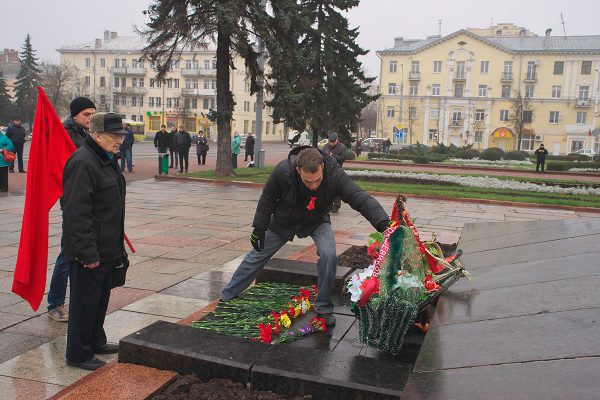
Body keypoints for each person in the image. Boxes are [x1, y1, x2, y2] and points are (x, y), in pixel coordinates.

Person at [221, 147, 389, 327]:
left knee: (329, 255)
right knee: (257, 254)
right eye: (308, 182)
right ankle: (228, 295)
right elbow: (267, 199)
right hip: (285, 221)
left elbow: (359, 197)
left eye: (317, 180)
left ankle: (324, 307)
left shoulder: (335, 174)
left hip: (317, 220)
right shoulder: (283, 171)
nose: (314, 185)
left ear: (322, 166)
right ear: (297, 170)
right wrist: (259, 228)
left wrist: (384, 223)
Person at [62, 112, 127, 370]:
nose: (120, 140)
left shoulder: (107, 159)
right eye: (115, 135)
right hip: (90, 250)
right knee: (84, 303)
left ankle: (95, 341)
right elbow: (76, 214)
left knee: (100, 299)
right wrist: (87, 253)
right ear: (97, 134)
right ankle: (77, 353)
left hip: (107, 246)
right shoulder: (83, 162)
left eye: (121, 135)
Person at [47, 97, 97, 322]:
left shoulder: (84, 134)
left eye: (93, 114)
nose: (90, 118)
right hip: (73, 202)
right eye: (86, 114)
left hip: (90, 200)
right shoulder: (66, 135)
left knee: (83, 253)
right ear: (75, 114)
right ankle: (55, 303)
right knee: (68, 254)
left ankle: (78, 300)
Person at [322, 132, 347, 213]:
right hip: (327, 170)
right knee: (327, 188)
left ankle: (336, 206)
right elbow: (321, 155)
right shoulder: (326, 146)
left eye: (333, 142)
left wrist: (333, 155)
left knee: (336, 188)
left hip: (337, 170)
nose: (331, 144)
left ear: (337, 139)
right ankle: (328, 205)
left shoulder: (342, 147)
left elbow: (343, 158)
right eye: (330, 142)